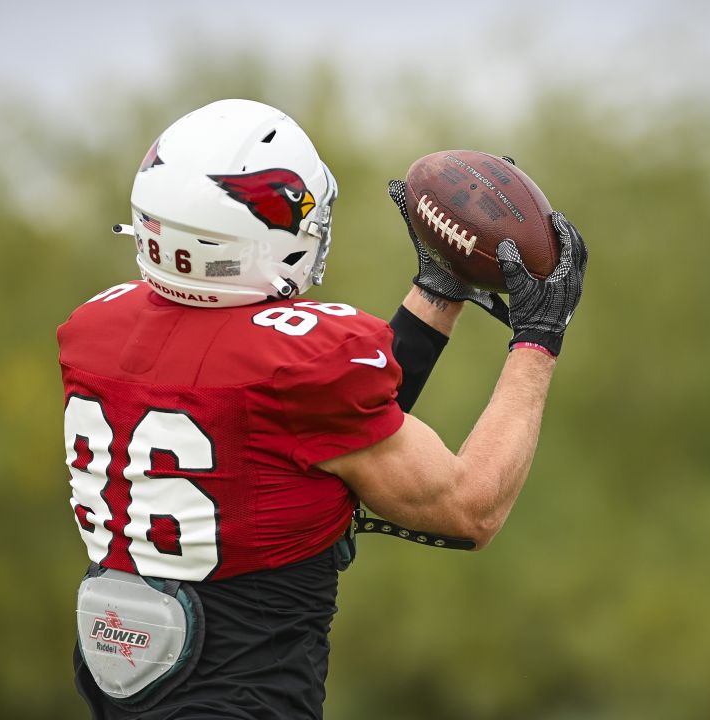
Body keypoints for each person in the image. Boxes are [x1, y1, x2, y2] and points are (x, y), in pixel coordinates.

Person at [57, 98, 588, 719]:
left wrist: (441, 290)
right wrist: (538, 337)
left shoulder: (97, 332)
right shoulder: (301, 368)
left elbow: (315, 433)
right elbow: (471, 509)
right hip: (238, 700)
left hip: (120, 684)